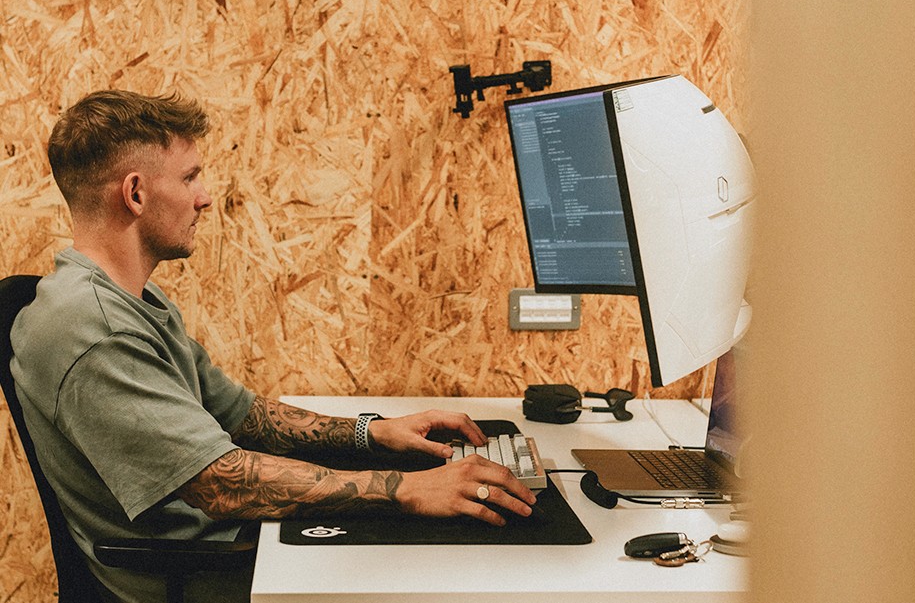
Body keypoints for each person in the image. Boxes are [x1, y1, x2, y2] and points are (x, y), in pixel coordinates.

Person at [10, 89, 536, 603]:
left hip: (228, 546)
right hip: (196, 574)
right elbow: (222, 485)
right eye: (190, 177)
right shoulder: (94, 330)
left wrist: (372, 433)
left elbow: (242, 416)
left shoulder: (130, 301)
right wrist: (405, 489)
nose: (205, 196)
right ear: (136, 194)